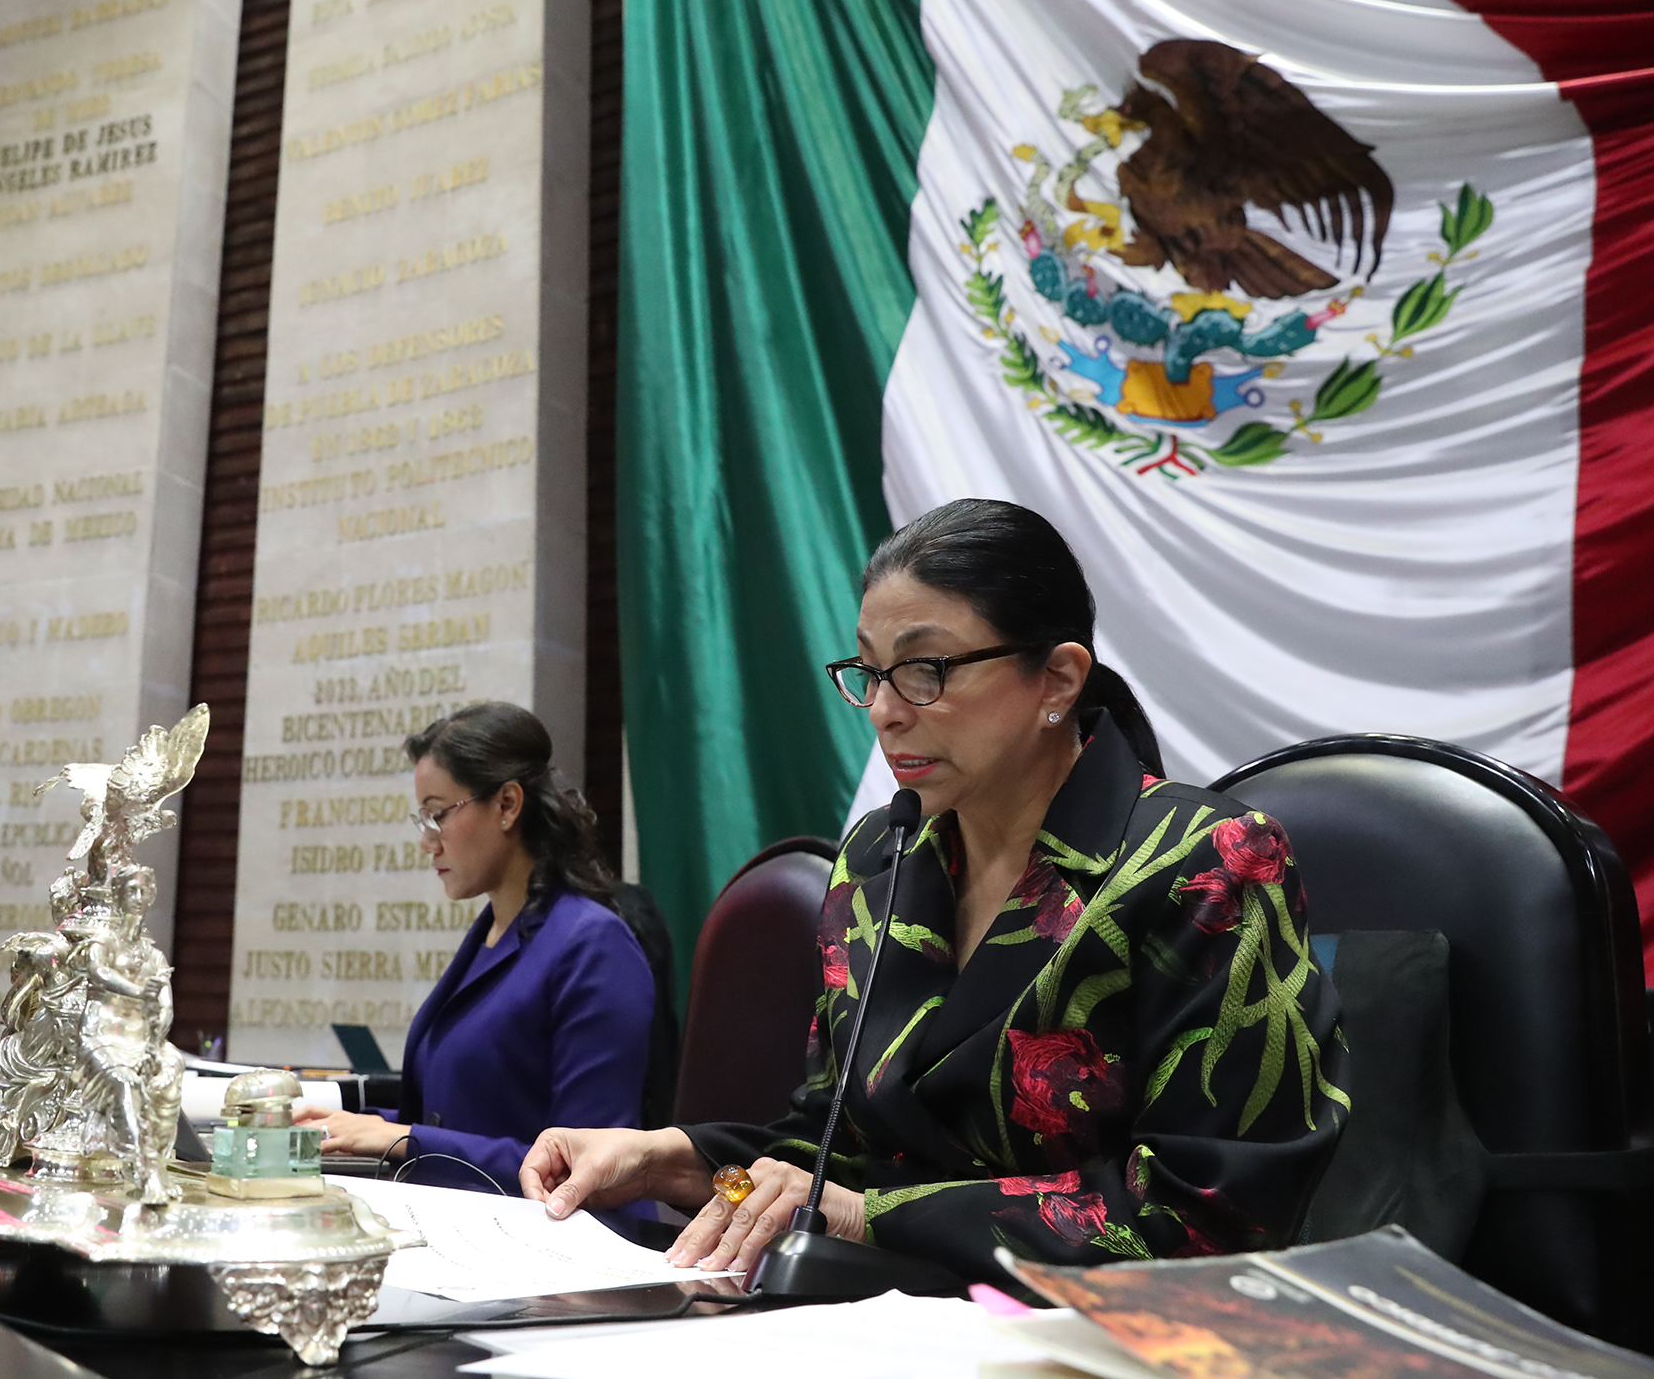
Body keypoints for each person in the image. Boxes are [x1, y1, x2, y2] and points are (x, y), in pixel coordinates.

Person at [520, 499, 1347, 1284]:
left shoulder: (1205, 860)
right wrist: (667, 1157)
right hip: (884, 1317)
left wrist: (870, 1218)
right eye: (870, 672)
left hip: (1100, 1340)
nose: (884, 710)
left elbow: (1209, 1214)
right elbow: (833, 1144)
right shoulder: (878, 859)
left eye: (925, 669)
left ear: (1058, 679)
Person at [298, 702, 655, 1195]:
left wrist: (404, 1139)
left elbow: (588, 1168)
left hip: (550, 1237)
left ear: (507, 804)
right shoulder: (491, 934)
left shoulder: (593, 945)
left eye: (437, 814)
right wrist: (329, 1123)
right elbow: (454, 1116)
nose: (427, 842)